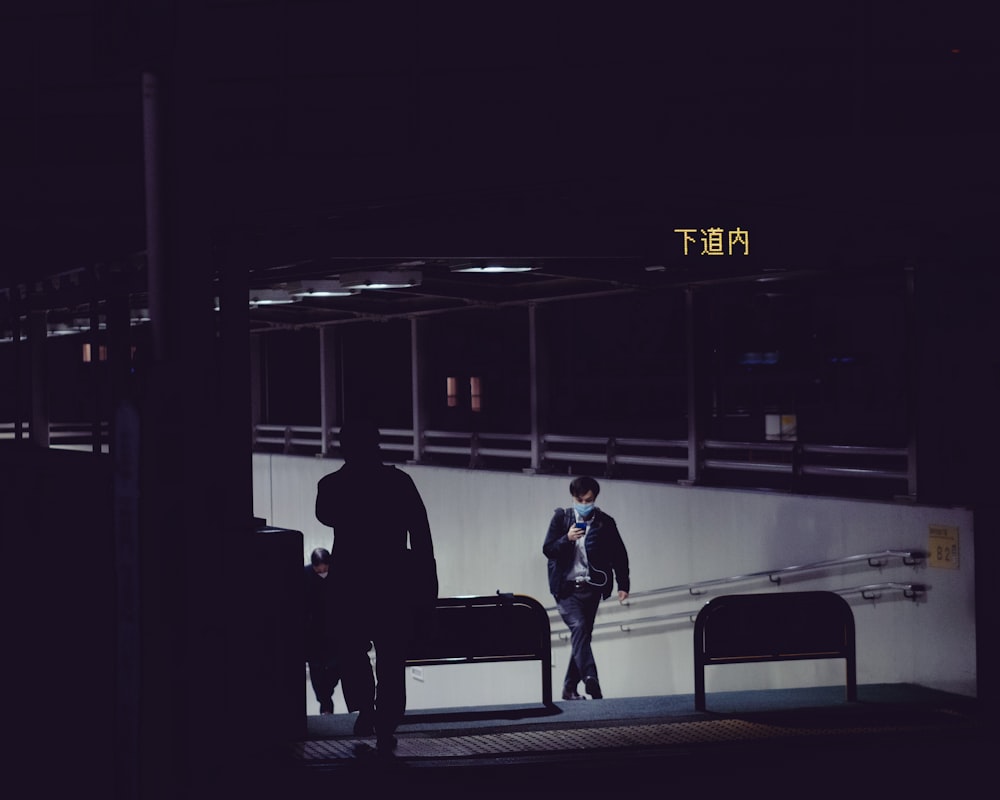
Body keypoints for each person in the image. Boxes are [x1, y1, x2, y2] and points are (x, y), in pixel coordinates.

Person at [315, 418, 437, 757]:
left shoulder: (332, 486)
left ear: (344, 447)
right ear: (377, 443)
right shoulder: (400, 483)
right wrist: (428, 584)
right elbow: (422, 536)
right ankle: (386, 719)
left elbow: (325, 515)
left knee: (353, 652)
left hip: (350, 584)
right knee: (392, 655)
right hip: (393, 582)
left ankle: (365, 708)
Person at [543, 475, 630, 701]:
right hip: (565, 589)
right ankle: (592, 678)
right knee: (580, 627)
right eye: (579, 500)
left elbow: (619, 555)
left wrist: (623, 584)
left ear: (595, 498)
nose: (583, 504)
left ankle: (569, 688)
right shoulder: (561, 519)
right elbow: (548, 549)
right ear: (573, 498)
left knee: (582, 635)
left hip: (591, 589)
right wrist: (567, 538)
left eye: (588, 500)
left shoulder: (605, 522)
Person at [303, 547, 339, 715]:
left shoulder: (336, 575)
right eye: (320, 568)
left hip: (332, 629)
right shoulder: (304, 575)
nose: (323, 570)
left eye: (325, 567)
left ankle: (325, 700)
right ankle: (325, 703)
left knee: (333, 667)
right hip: (313, 631)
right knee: (317, 669)